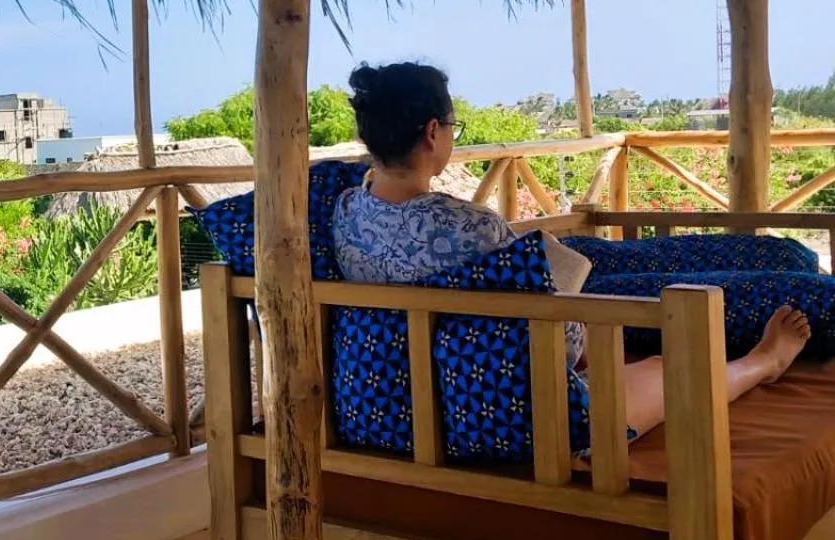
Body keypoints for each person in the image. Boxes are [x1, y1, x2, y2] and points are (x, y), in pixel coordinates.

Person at [334, 61, 810, 438]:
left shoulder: (343, 213)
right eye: (453, 128)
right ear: (432, 131)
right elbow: (558, 340)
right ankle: (762, 362)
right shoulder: (472, 227)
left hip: (394, 408)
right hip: (491, 413)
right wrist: (581, 338)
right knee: (671, 372)